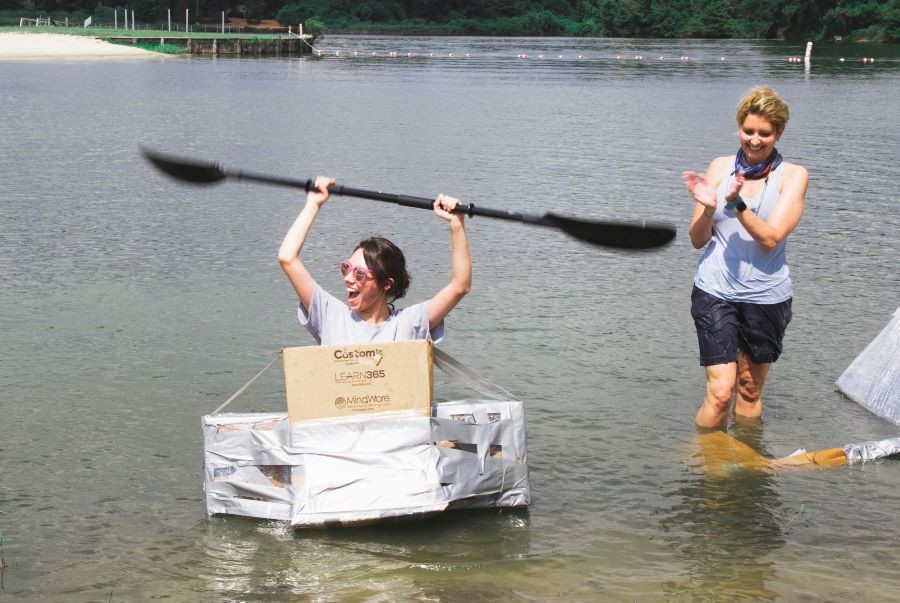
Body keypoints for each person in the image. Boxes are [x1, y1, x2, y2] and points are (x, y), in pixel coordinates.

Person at [682, 86, 809, 428]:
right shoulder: (720, 166)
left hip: (766, 294)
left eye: (764, 134)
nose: (754, 140)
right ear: (739, 127)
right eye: (748, 131)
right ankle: (707, 470)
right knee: (722, 392)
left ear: (779, 133)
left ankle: (745, 472)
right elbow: (697, 240)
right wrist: (709, 209)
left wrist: (736, 204)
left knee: (749, 390)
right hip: (715, 291)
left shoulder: (793, 176)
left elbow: (770, 238)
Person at [278, 177, 471, 346]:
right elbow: (287, 258)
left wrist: (456, 225)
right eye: (346, 268)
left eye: (359, 273)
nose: (348, 278)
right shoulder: (330, 316)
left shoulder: (410, 323)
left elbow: (460, 286)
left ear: (386, 284)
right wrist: (313, 204)